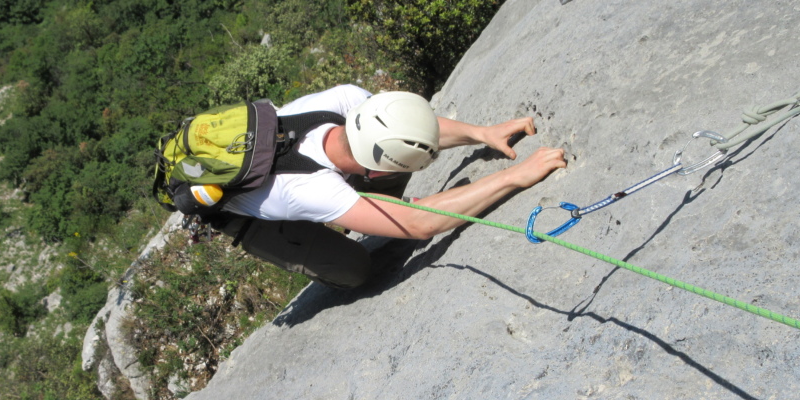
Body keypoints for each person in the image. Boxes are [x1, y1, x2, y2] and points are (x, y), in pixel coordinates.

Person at [216, 84, 566, 288]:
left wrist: (481, 133)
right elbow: (420, 224)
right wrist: (512, 177)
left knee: (381, 193)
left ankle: (373, 216)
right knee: (354, 269)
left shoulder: (346, 100)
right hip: (250, 214)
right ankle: (362, 219)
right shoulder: (310, 190)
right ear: (373, 169)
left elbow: (403, 127)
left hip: (297, 173)